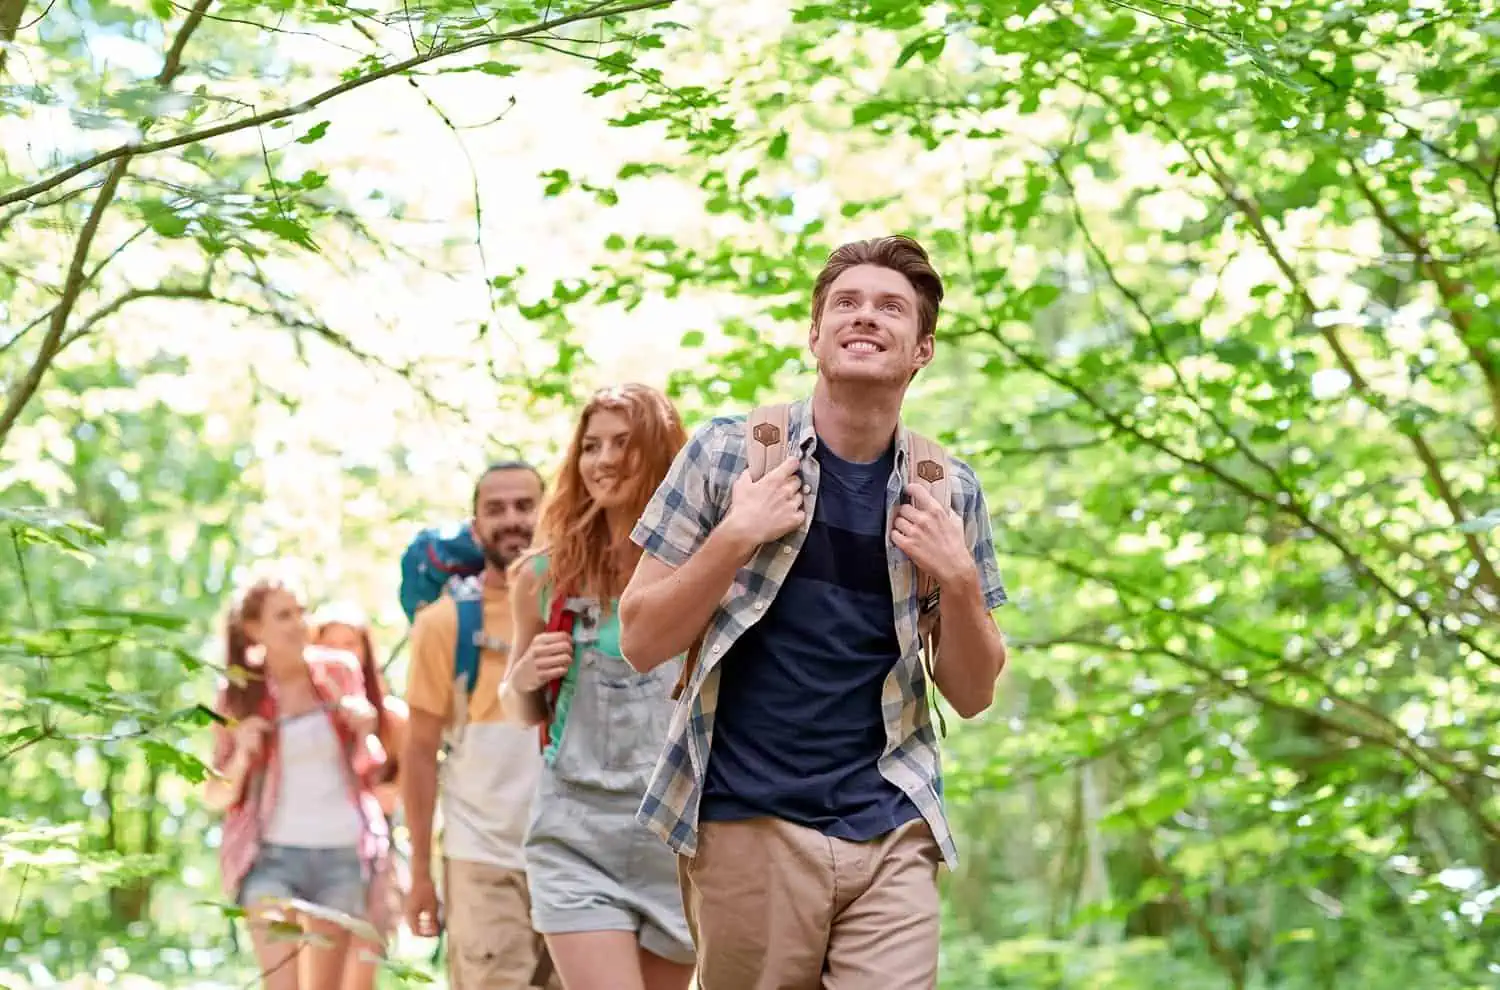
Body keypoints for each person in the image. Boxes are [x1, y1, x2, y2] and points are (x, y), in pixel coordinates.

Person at [618, 235, 1011, 989]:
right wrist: (736, 535)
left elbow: (973, 691)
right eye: (847, 304)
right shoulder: (729, 454)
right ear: (815, 335)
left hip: (891, 819)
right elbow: (640, 639)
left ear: (922, 348)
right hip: (747, 821)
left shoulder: (947, 487)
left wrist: (958, 577)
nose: (866, 317)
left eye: (890, 307)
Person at [499, 384, 695, 990]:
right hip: (575, 834)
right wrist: (526, 676)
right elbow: (517, 705)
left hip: (676, 840)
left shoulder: (701, 568)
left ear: (661, 456)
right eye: (591, 446)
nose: (603, 460)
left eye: (624, 444)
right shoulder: (543, 575)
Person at [401, 460, 558, 990]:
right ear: (475, 528)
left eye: (524, 505)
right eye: (495, 509)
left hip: (575, 858)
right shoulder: (442, 624)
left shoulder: (578, 609)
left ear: (550, 513)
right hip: (481, 861)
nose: (511, 519)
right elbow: (419, 754)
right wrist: (420, 875)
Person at [205, 576, 390, 990]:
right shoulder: (237, 694)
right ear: (255, 629)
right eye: (284, 615)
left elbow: (369, 765)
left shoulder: (339, 673)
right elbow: (214, 794)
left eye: (302, 612)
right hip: (270, 859)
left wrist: (364, 727)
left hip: (341, 855)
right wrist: (241, 753)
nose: (299, 623)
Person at [311, 602, 410, 990]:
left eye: (350, 644)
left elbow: (399, 796)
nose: (339, 653)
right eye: (328, 644)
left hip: (373, 869)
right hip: (309, 864)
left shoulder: (393, 719)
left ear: (366, 652)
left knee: (357, 977)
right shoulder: (298, 723)